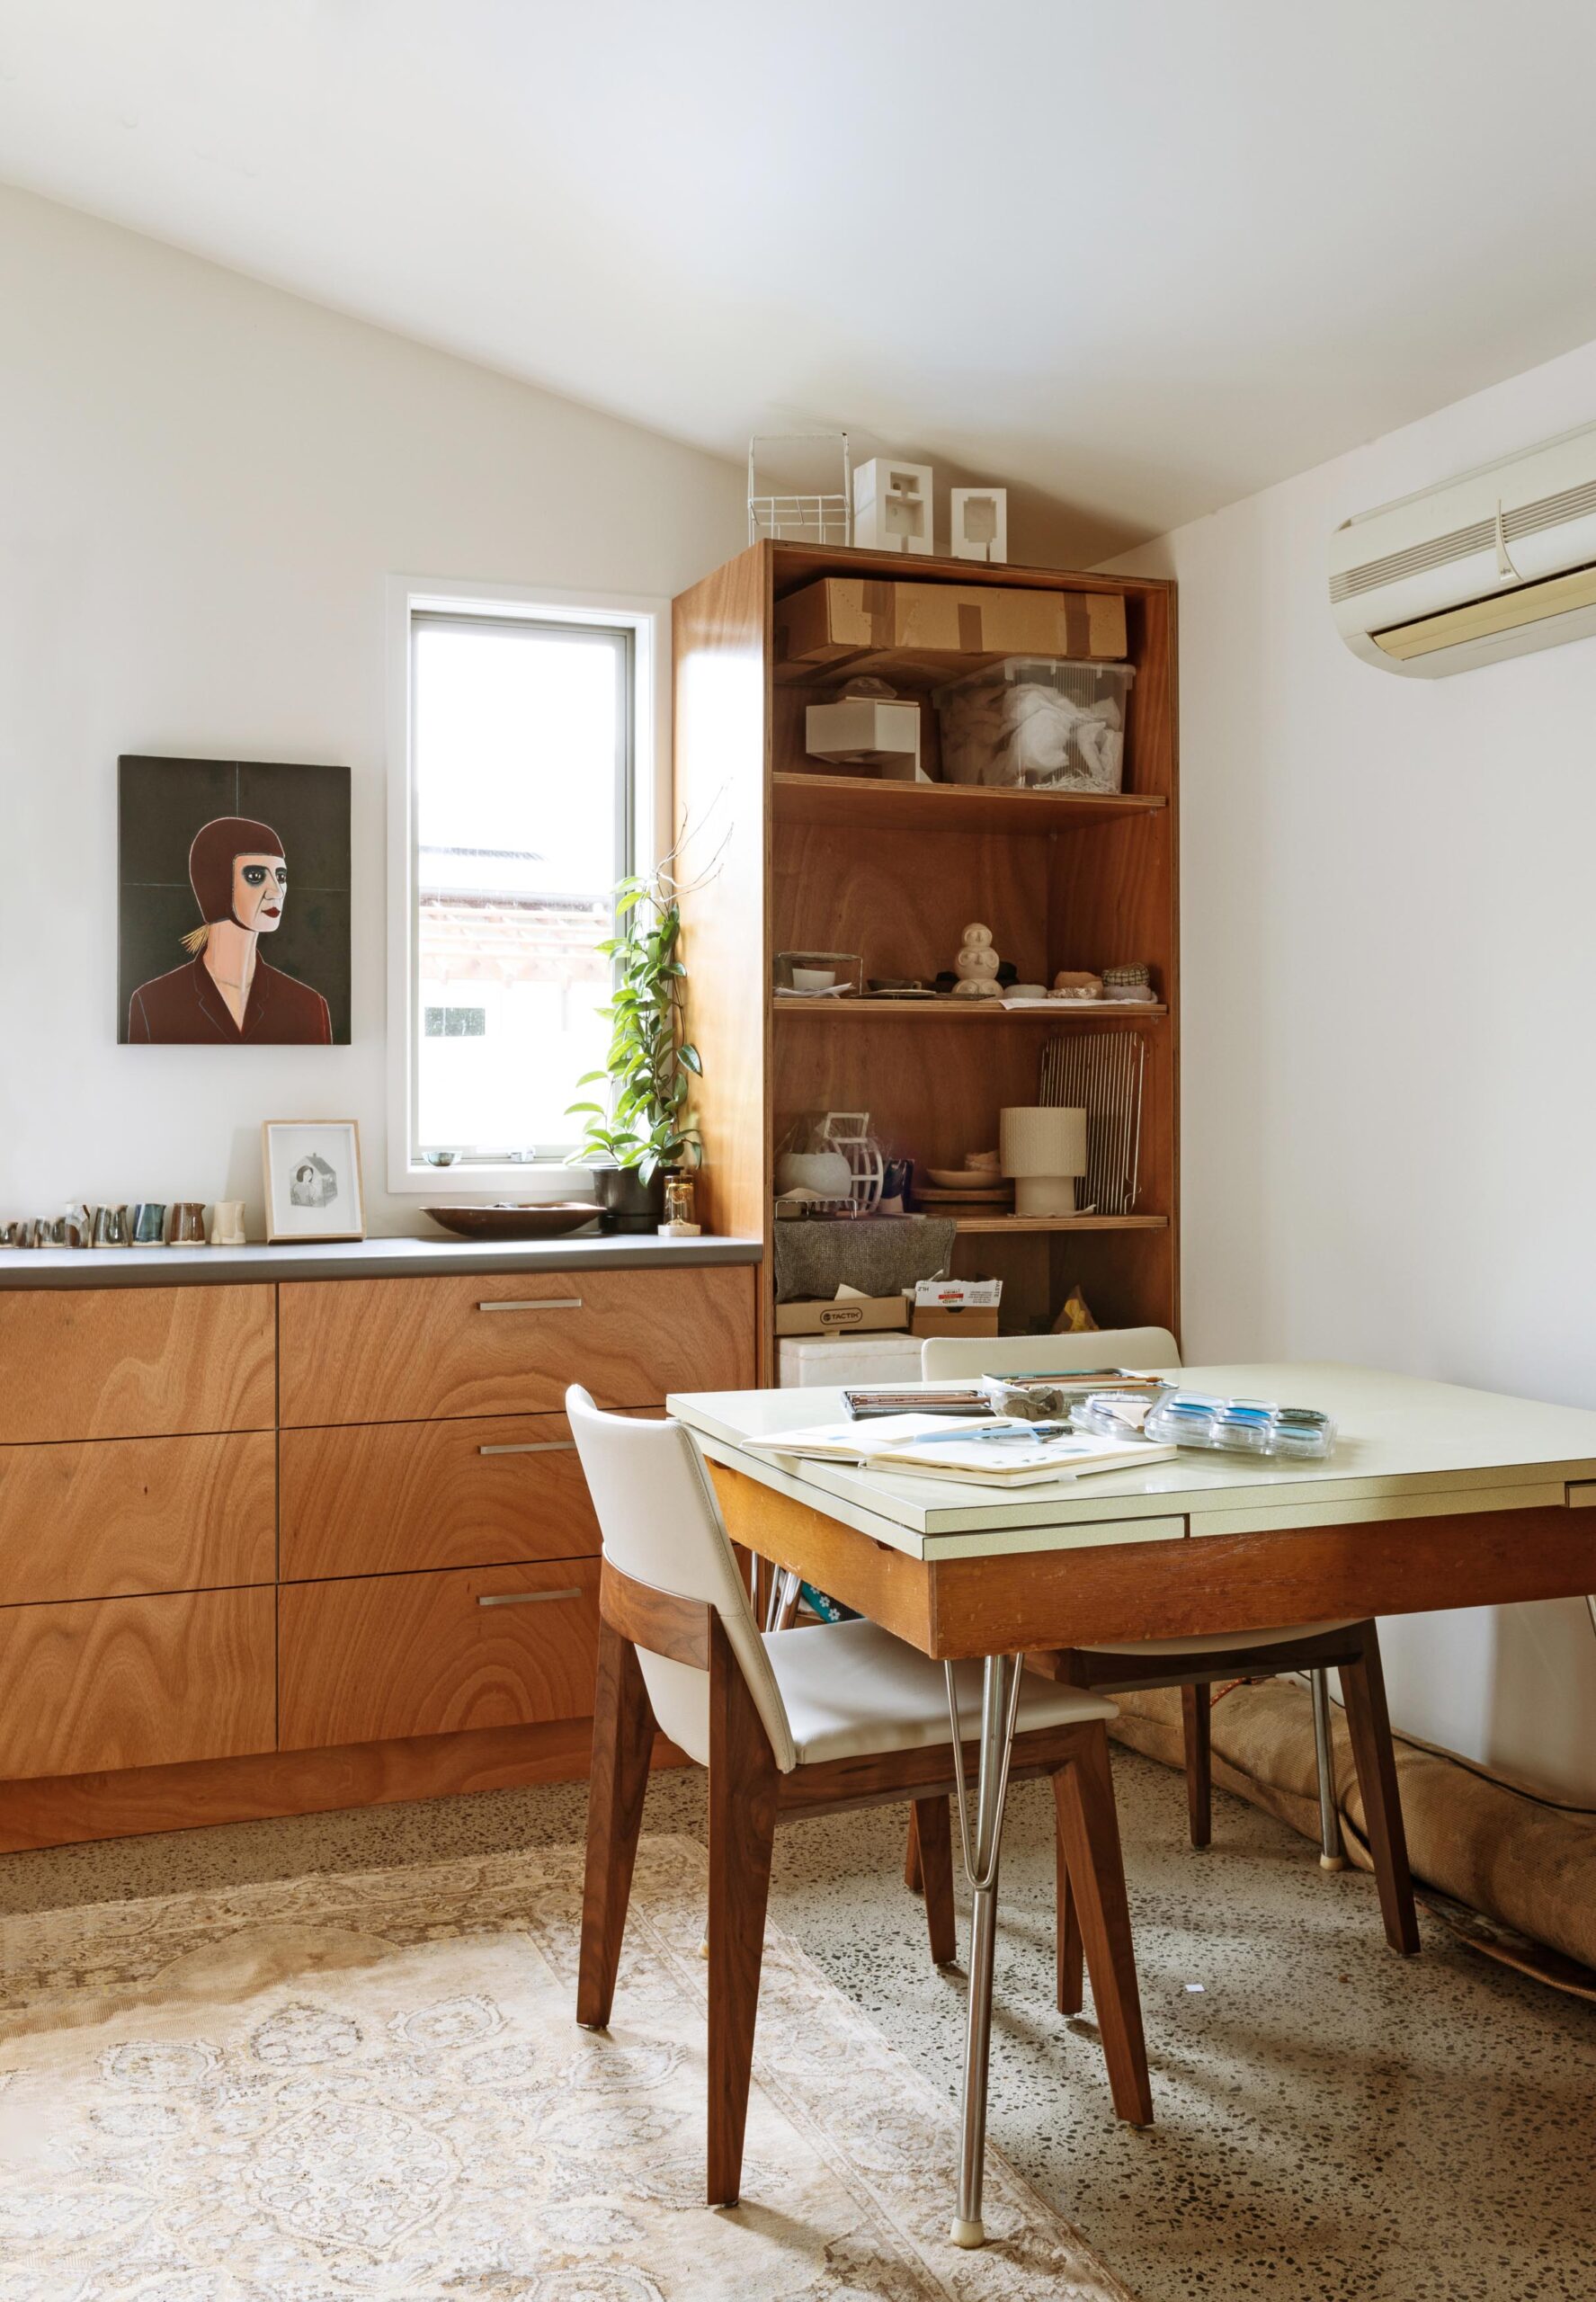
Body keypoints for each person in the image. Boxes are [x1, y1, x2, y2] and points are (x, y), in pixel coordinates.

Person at [127, 816, 333, 1044]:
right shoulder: (152, 1005)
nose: (277, 891)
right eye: (256, 876)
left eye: (281, 876)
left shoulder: (310, 1007)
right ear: (216, 882)